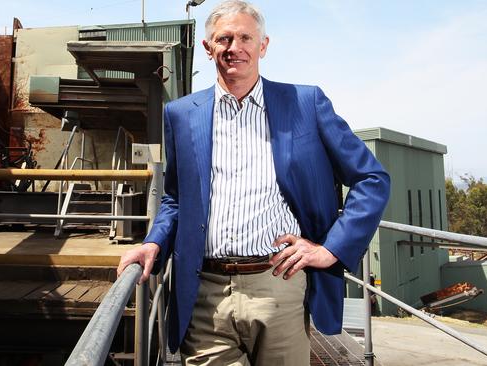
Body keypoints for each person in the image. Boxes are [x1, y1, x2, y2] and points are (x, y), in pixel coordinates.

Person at [117, 1, 390, 364]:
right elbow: (176, 200)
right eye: (224, 38)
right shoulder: (181, 114)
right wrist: (153, 242)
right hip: (204, 292)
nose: (235, 48)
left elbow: (371, 178)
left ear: (263, 46)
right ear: (208, 47)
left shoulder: (305, 103)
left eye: (246, 37)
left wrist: (331, 249)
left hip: (278, 285)